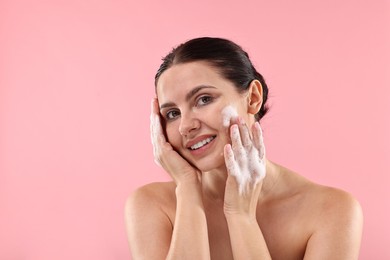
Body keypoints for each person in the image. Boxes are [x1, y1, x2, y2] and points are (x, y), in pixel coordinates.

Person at [125, 37, 363, 259]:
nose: (185, 126)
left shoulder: (331, 211)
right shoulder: (152, 205)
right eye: (172, 114)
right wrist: (188, 190)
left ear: (253, 98)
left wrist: (241, 216)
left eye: (204, 99)